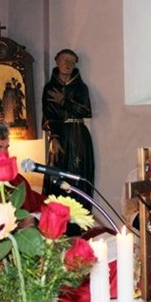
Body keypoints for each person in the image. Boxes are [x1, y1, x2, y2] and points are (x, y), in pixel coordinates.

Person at [42, 49, 94, 205]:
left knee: (77, 173)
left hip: (78, 135)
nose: (68, 64)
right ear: (57, 61)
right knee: (58, 175)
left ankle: (79, 220)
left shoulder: (80, 87)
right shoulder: (50, 88)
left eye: (72, 61)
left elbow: (85, 110)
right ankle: (57, 219)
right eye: (65, 60)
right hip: (59, 135)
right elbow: (48, 115)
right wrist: (54, 137)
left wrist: (64, 101)